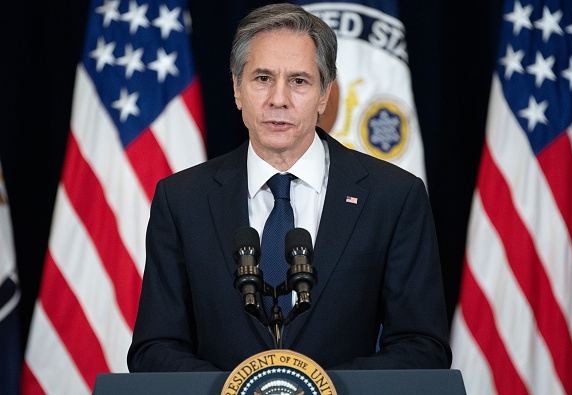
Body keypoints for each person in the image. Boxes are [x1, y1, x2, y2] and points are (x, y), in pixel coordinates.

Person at [128, 3, 451, 372]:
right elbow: (154, 349)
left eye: (299, 81)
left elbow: (423, 347)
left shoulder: (393, 197)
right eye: (262, 78)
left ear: (325, 95)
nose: (278, 99)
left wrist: (316, 387)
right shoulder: (182, 200)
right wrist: (241, 389)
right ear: (237, 89)